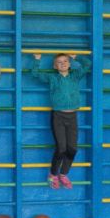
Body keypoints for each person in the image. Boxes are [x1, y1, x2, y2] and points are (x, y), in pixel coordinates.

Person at [31, 52, 91, 189]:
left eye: (65, 61)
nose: (63, 63)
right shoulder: (53, 78)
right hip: (58, 116)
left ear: (69, 64)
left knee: (72, 149)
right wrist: (37, 59)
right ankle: (53, 174)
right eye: (59, 62)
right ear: (55, 66)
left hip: (72, 117)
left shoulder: (75, 75)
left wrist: (76, 57)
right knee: (61, 148)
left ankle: (63, 174)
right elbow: (35, 74)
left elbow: (88, 64)